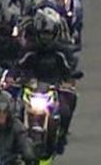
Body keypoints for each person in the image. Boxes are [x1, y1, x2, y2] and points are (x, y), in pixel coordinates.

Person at [18, 8, 83, 152]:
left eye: (48, 34)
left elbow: (69, 68)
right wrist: (15, 78)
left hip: (55, 87)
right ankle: (17, 138)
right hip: (32, 88)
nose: (45, 37)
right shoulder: (29, 49)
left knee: (66, 106)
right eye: (43, 34)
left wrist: (69, 78)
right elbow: (18, 66)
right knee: (14, 108)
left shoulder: (62, 50)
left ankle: (61, 136)